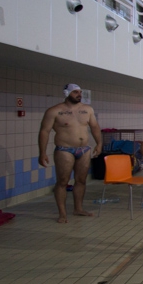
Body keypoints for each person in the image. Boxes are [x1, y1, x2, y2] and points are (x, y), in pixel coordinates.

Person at [38, 84, 103, 223]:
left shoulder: (87, 109)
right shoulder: (55, 111)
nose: (79, 95)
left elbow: (95, 127)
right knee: (63, 181)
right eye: (75, 92)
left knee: (81, 180)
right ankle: (62, 214)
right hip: (64, 150)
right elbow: (44, 131)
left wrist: (99, 143)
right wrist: (42, 153)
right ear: (67, 93)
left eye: (80, 92)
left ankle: (78, 208)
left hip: (84, 149)